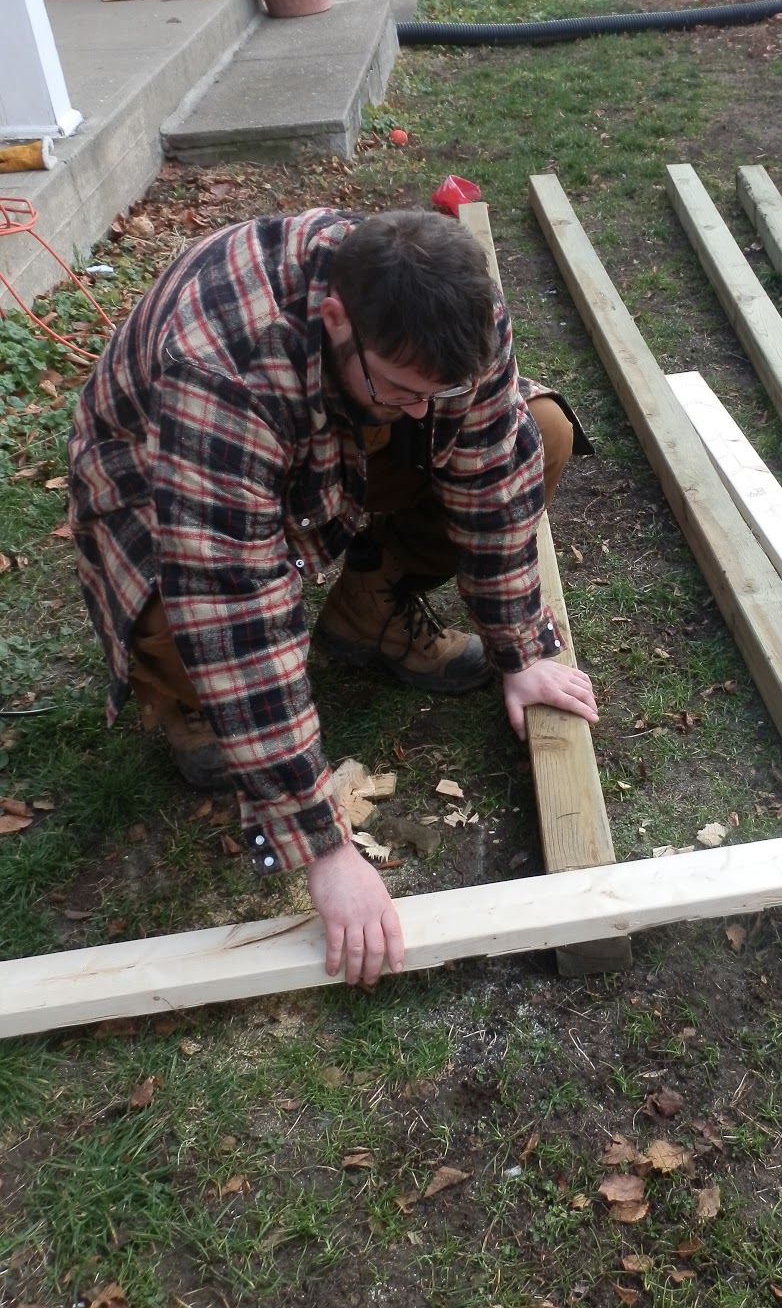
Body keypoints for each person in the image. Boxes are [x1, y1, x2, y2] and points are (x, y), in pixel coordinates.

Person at [67, 206, 598, 989]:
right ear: (335, 317)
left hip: (332, 438)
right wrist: (322, 845)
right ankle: (186, 700)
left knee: (538, 428)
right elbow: (232, 607)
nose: (425, 408)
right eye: (406, 387)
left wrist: (519, 648)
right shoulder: (224, 364)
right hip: (170, 481)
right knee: (188, 626)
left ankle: (367, 612)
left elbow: (492, 474)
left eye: (438, 390)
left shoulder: (457, 316)